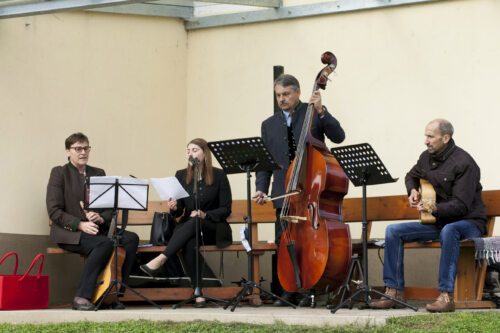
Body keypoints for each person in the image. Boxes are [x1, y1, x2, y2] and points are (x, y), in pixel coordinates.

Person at [369, 119, 487, 313]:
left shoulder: (464, 163)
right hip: (438, 221)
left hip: (468, 221)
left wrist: (433, 208)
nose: (426, 140)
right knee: (393, 231)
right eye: (426, 135)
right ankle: (394, 292)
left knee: (450, 230)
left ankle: (445, 296)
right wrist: (413, 191)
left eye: (430, 136)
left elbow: (461, 206)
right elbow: (410, 176)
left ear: (446, 138)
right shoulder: (426, 157)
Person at [253, 74, 346, 306]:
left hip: (310, 192)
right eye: (278, 95)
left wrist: (322, 110)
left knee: (308, 243)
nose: (281, 99)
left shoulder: (313, 112)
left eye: (286, 94)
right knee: (282, 242)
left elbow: (339, 137)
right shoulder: (268, 124)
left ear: (298, 93)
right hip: (283, 194)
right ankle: (287, 289)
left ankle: (308, 290)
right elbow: (265, 164)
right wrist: (261, 189)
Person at [46, 132, 139, 311]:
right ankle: (82, 296)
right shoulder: (59, 173)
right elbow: (54, 211)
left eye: (86, 148)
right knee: (104, 244)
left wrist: (100, 217)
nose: (83, 152)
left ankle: (114, 294)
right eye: (77, 148)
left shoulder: (98, 173)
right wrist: (79, 224)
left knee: (130, 239)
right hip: (69, 232)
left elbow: (109, 208)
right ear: (68, 151)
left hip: (97, 229)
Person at [140, 138, 233, 308]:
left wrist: (205, 214)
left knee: (195, 221)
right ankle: (198, 293)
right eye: (188, 150)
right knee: (190, 242)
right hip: (190, 229)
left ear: (205, 153)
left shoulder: (219, 175)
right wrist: (174, 207)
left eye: (195, 150)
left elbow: (226, 209)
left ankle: (161, 259)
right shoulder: (181, 175)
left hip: (213, 227)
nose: (191, 153)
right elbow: (179, 211)